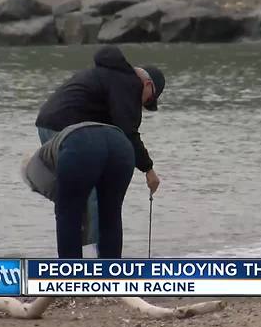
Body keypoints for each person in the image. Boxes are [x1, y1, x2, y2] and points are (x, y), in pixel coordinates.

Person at [34, 45, 165, 249]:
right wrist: (148, 169)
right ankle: (101, 263)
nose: (143, 106)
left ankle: (82, 257)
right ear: (147, 84)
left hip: (48, 125)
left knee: (76, 196)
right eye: (148, 101)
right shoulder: (128, 83)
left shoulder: (108, 76)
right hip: (64, 129)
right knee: (95, 199)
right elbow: (127, 132)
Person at [21, 122, 134, 258]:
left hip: (80, 145)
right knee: (110, 215)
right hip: (121, 144)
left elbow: (64, 202)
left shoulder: (31, 171)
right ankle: (111, 271)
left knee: (67, 214)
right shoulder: (47, 154)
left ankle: (70, 272)